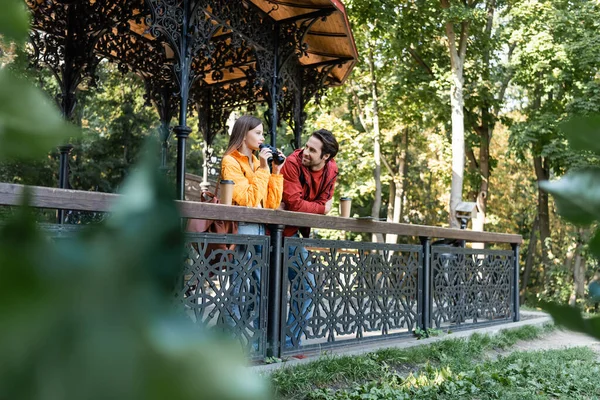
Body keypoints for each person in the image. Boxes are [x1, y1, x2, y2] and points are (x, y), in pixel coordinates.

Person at [220, 115, 285, 350]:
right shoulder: (230, 162)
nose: (262, 138)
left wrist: (275, 172)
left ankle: (261, 342)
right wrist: (263, 170)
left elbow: (270, 204)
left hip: (261, 231)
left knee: (261, 290)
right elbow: (247, 200)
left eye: (262, 134)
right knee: (238, 288)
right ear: (244, 133)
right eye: (257, 133)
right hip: (242, 231)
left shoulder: (258, 164)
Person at [281, 129, 339, 348]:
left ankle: (289, 343)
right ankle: (257, 344)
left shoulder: (331, 169)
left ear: (326, 157)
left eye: (312, 150)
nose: (305, 152)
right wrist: (322, 209)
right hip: (271, 232)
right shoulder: (292, 162)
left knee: (307, 288)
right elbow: (295, 204)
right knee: (257, 291)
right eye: (306, 146)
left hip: (294, 235)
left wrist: (317, 207)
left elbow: (322, 199)